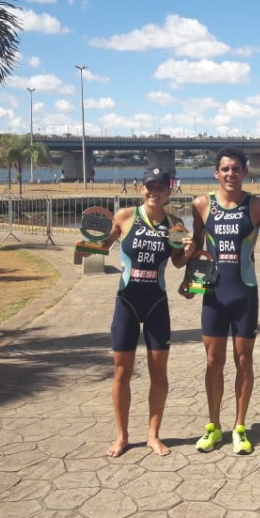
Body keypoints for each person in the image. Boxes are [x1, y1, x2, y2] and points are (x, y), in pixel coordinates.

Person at [83, 167, 194, 458]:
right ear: (140, 189)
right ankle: (121, 436)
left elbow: (179, 263)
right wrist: (86, 243)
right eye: (149, 187)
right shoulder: (124, 217)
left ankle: (153, 435)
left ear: (170, 190)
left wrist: (191, 249)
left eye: (160, 188)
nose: (154, 192)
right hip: (126, 302)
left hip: (157, 303)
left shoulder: (176, 224)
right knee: (122, 372)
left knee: (159, 374)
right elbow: (101, 245)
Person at [180, 147, 260, 454]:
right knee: (212, 362)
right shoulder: (201, 204)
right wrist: (188, 279)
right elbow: (197, 247)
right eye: (225, 169)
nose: (230, 173)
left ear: (245, 172)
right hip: (214, 295)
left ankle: (240, 427)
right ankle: (214, 426)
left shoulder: (258, 206)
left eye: (236, 168)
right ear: (216, 173)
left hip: (245, 293)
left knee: (243, 361)